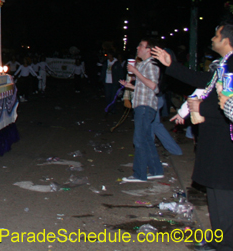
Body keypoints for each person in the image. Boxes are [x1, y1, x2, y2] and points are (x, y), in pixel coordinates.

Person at [153, 22, 233, 251]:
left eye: (216, 35)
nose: (212, 39)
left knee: (225, 194)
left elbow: (227, 105)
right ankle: (219, 240)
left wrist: (198, 109)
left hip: (225, 140)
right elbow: (204, 81)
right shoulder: (223, 65)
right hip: (214, 138)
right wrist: (173, 66)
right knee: (215, 193)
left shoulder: (232, 66)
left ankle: (227, 244)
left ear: (226, 40)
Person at [120, 38, 162, 183]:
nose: (138, 48)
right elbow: (144, 87)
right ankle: (156, 170)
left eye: (141, 46)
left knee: (139, 140)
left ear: (148, 50)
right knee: (147, 139)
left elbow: (154, 86)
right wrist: (130, 86)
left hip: (145, 106)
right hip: (143, 105)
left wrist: (135, 72)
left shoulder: (150, 65)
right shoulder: (143, 65)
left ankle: (139, 174)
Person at [99, 49, 125, 113]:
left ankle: (113, 109)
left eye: (110, 55)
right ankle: (108, 107)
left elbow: (120, 73)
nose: (109, 56)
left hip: (114, 82)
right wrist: (101, 79)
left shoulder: (117, 63)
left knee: (113, 96)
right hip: (107, 82)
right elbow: (103, 71)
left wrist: (121, 81)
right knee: (108, 96)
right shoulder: (106, 63)